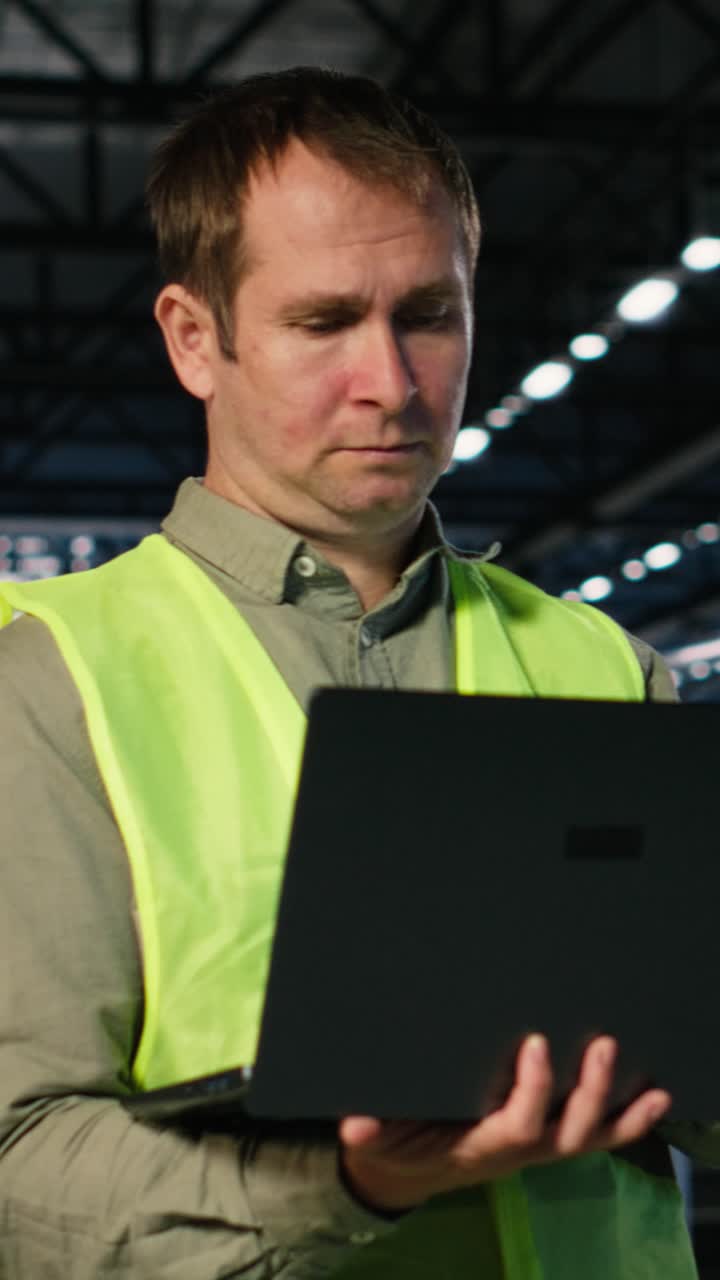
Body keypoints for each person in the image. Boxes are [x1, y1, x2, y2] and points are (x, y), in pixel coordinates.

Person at [0, 66, 708, 1279]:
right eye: (324, 322)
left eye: (428, 314)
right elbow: (22, 1158)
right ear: (193, 338)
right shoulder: (52, 682)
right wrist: (352, 1182)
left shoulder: (605, 666)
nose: (390, 381)